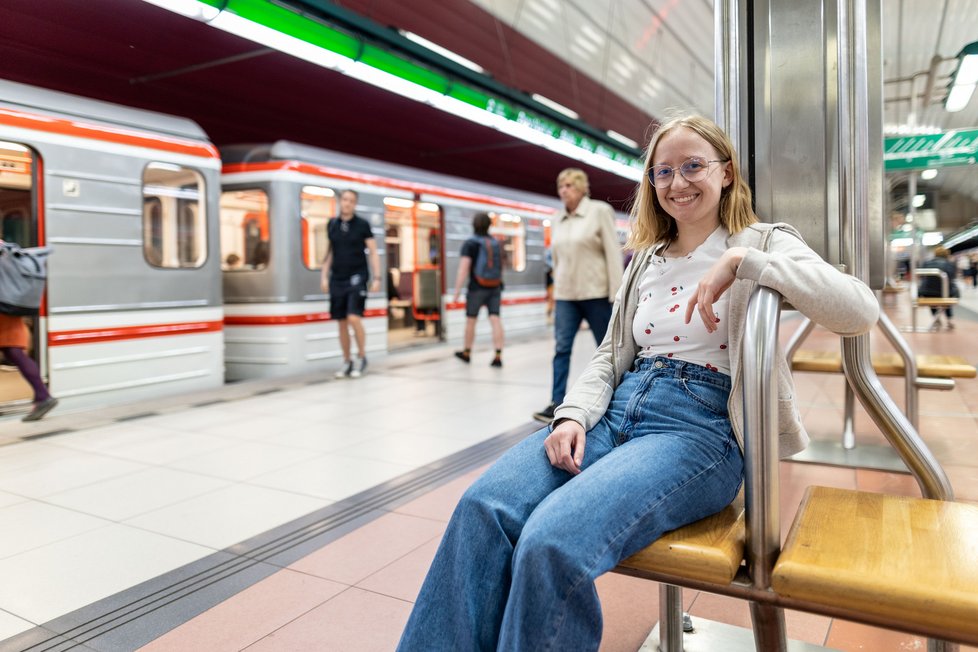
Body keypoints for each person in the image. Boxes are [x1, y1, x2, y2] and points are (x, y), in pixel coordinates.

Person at [396, 114, 878, 651]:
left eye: (693, 166)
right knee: (483, 508)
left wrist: (745, 263)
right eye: (663, 172)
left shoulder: (763, 240)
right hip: (619, 409)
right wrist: (573, 413)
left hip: (699, 430)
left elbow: (858, 310)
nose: (677, 183)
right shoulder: (645, 258)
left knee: (550, 542)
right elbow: (610, 354)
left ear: (726, 172)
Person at [533, 168, 624, 423]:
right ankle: (555, 402)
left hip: (596, 293)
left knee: (607, 350)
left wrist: (616, 294)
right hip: (566, 295)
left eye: (570, 185)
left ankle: (616, 397)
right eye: (561, 186)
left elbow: (612, 253)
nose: (564, 190)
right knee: (561, 349)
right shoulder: (557, 218)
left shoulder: (599, 212)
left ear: (583, 188)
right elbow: (558, 261)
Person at [320, 189, 381, 378]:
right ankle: (347, 361)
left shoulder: (362, 225)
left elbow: (372, 251)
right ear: (340, 201)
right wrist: (323, 276)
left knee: (354, 317)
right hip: (337, 277)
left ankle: (362, 356)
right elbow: (330, 252)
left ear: (355, 204)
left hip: (358, 276)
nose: (347, 203)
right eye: (344, 199)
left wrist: (377, 277)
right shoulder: (332, 224)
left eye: (351, 201)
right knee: (342, 322)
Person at [0, 239, 58, 422]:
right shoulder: (6, 247)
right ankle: (42, 396)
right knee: (14, 352)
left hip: (2, 309)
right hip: (9, 306)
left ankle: (43, 396)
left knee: (14, 352)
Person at [452, 212, 504, 367]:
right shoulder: (494, 242)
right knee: (495, 319)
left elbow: (463, 269)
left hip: (476, 288)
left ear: (473, 225)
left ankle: (467, 353)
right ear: (489, 225)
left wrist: (457, 291)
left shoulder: (470, 243)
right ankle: (498, 356)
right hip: (495, 286)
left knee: (471, 321)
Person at [917, 245, 960, 330]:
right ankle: (949, 319)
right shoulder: (950, 264)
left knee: (932, 300)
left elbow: (921, 276)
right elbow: (952, 277)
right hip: (945, 293)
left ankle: (936, 318)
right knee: (947, 297)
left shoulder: (926, 263)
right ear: (947, 255)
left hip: (926, 292)